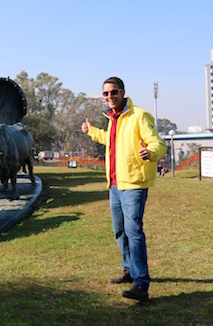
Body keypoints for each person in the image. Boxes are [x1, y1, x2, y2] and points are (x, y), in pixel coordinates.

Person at [81, 77, 166, 302]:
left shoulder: (139, 116)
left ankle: (141, 284)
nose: (110, 97)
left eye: (114, 92)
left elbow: (158, 143)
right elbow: (110, 140)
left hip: (134, 184)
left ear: (123, 92)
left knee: (133, 231)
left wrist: (151, 153)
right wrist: (91, 131)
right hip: (115, 185)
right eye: (106, 93)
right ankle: (128, 269)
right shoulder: (113, 119)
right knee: (119, 231)